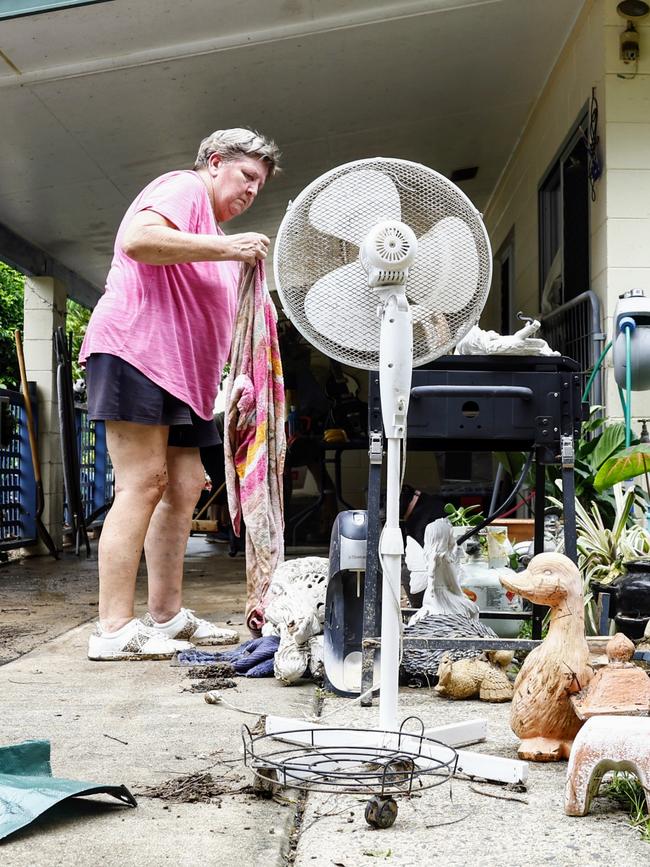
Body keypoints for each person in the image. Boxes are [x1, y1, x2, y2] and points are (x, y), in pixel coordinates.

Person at [80, 128, 280, 660]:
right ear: (215, 163)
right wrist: (227, 247)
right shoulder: (183, 189)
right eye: (247, 176)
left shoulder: (208, 233)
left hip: (184, 380)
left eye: (260, 185)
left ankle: (165, 617)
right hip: (136, 350)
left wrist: (230, 383)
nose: (252, 191)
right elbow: (138, 240)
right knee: (143, 481)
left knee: (187, 484)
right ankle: (113, 629)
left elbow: (207, 320)